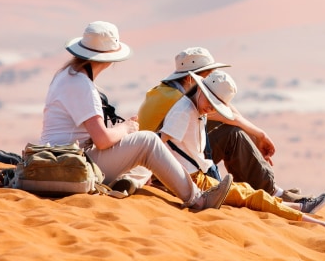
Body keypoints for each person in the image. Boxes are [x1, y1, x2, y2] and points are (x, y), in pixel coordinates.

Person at [38, 21, 233, 211]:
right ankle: (198, 200)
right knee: (149, 141)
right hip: (72, 165)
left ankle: (127, 182)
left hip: (61, 160)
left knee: (144, 155)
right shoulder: (82, 85)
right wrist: (126, 128)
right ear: (110, 58)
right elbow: (102, 140)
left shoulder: (66, 75)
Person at [160, 69, 325, 238]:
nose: (210, 110)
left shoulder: (194, 107)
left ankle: (302, 208)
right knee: (254, 197)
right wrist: (157, 178)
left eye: (216, 106)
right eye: (210, 103)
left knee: (251, 195)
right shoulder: (183, 112)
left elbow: (232, 118)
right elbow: (159, 143)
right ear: (201, 89)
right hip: (191, 182)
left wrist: (259, 134)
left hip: (196, 178)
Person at [138, 47, 309, 203]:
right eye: (208, 75)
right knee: (233, 135)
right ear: (192, 78)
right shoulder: (182, 103)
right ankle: (271, 192)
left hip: (161, 163)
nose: (211, 79)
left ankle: (269, 190)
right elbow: (231, 117)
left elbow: (227, 109)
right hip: (163, 170)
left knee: (232, 131)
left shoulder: (160, 91)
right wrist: (260, 135)